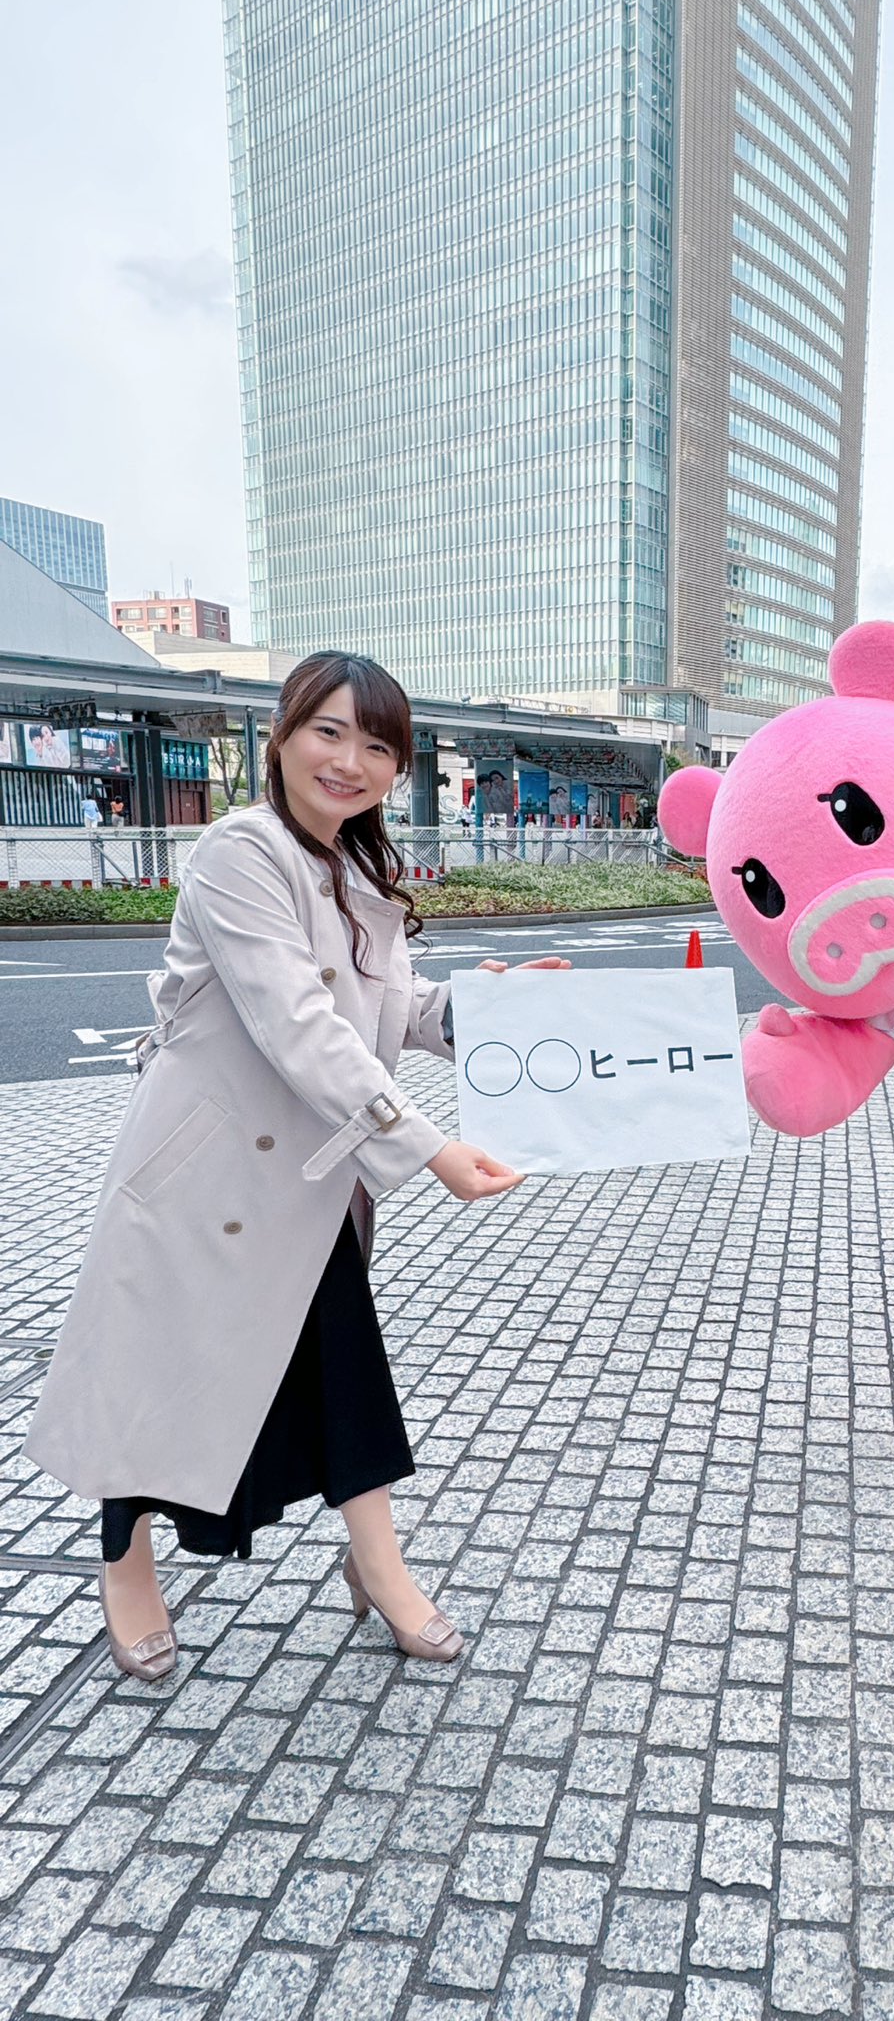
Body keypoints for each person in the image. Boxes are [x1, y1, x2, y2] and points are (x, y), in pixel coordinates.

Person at [25, 651, 568, 1680]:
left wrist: (499, 1009)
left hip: (314, 1173)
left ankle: (379, 1564)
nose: (350, 759)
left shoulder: (358, 867)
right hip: (208, 1173)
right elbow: (300, 1024)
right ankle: (126, 1562)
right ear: (281, 734)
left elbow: (388, 1011)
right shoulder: (241, 851)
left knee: (346, 1371)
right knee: (155, 1368)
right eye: (329, 730)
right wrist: (430, 1146)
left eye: (377, 745)